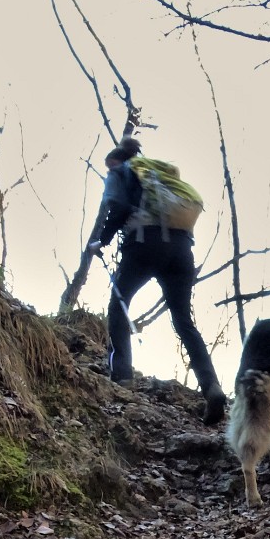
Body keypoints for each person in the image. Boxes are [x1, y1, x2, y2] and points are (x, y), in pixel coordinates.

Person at [87, 139, 226, 426]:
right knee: (184, 322)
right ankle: (211, 386)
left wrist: (102, 240)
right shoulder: (156, 174)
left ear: (115, 160)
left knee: (119, 306)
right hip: (181, 250)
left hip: (144, 245)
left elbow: (121, 207)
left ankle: (122, 376)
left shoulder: (122, 171)